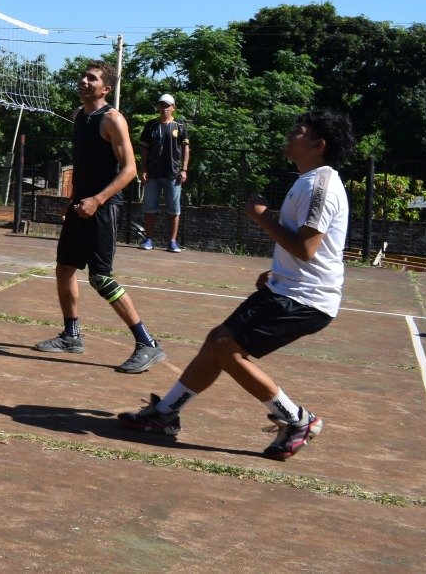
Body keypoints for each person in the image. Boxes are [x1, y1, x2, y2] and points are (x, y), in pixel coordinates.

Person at [119, 110, 355, 460]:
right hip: (286, 288)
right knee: (217, 339)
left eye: (299, 132)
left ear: (319, 144)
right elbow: (302, 247)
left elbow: (307, 248)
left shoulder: (321, 185)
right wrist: (276, 272)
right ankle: (165, 414)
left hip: (307, 298)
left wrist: (262, 218)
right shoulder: (307, 179)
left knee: (226, 348)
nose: (291, 135)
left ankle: (296, 419)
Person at [33, 61, 165, 374]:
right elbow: (83, 166)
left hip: (103, 207)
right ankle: (71, 335)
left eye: (91, 78)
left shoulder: (112, 119)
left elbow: (130, 170)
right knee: (64, 268)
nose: (83, 81)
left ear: (105, 88)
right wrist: (74, 201)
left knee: (101, 278)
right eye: (83, 76)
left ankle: (147, 343)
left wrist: (97, 199)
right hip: (81, 204)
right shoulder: (80, 116)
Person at [138, 93, 191, 252]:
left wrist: (184, 169)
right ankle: (148, 239)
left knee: (174, 209)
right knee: (149, 208)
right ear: (158, 107)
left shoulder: (180, 126)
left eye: (167, 105)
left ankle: (172, 241)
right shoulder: (150, 125)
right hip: (152, 173)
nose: (164, 108)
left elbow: (185, 148)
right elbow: (144, 149)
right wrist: (143, 169)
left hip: (172, 174)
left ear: (173, 107)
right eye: (161, 105)